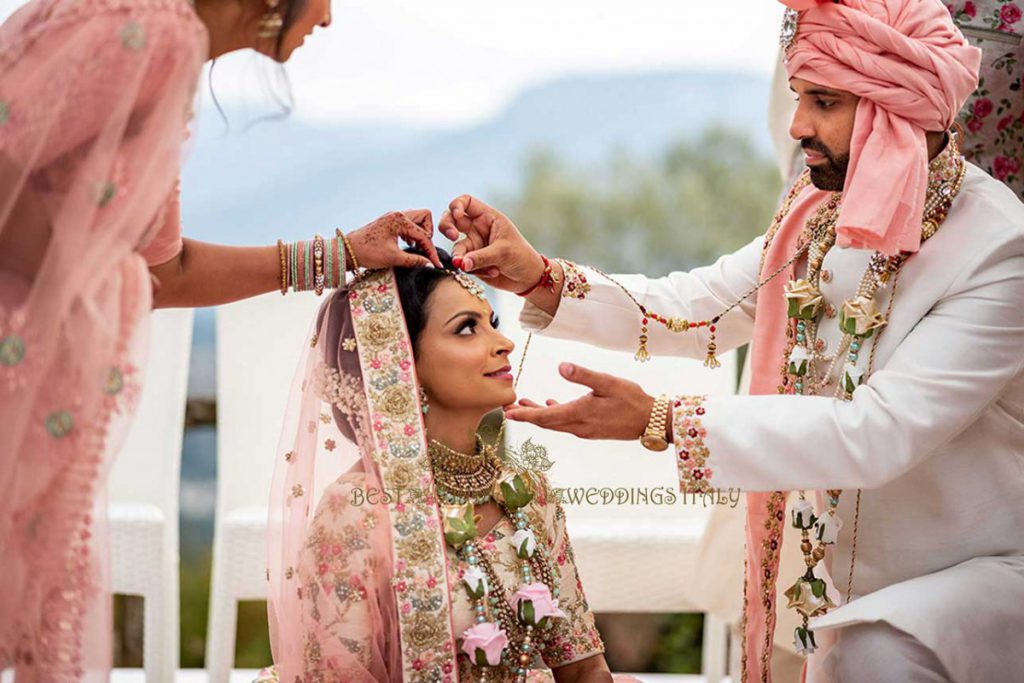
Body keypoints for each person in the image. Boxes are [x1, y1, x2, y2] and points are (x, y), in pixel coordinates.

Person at [438, 1, 1024, 681]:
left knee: (873, 655)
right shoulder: (818, 214)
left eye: (824, 102)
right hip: (841, 597)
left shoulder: (999, 250)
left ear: (897, 112)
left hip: (973, 582)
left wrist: (660, 420)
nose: (798, 126)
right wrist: (538, 277)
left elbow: (877, 431)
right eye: (800, 96)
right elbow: (700, 307)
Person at [0, 0, 439, 676]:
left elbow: (164, 272)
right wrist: (79, 277)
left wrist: (344, 253)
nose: (328, 19)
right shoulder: (153, 35)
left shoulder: (148, 38)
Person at [263, 249, 619, 683]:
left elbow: (582, 668)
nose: (503, 343)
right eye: (467, 328)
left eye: (493, 324)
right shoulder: (357, 510)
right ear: (400, 364)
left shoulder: (527, 493)